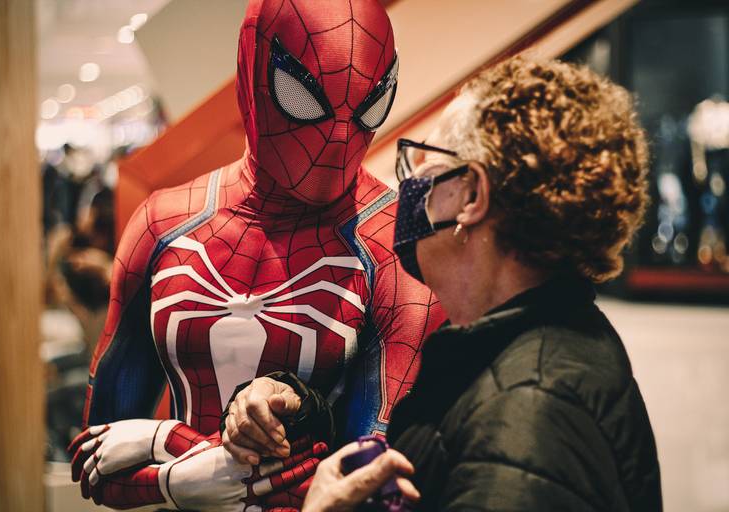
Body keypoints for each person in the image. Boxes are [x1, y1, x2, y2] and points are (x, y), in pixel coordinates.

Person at [225, 55, 663, 511]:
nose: (406, 187)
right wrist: (303, 412)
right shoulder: (532, 342)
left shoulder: (528, 415)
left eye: (423, 168)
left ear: (472, 195)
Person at [67, 0, 445, 510]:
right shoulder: (164, 222)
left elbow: (378, 484)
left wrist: (166, 449)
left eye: (368, 106)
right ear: (253, 70)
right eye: (302, 97)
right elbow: (93, 464)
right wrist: (183, 471)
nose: (336, 139)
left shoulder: (393, 237)